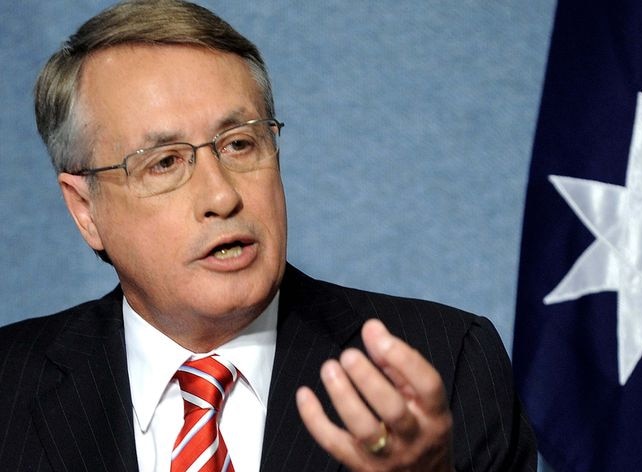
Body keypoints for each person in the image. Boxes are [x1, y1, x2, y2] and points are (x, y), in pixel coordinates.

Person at [0, 1, 536, 470]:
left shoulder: (447, 364)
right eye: (164, 162)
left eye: (240, 144)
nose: (221, 197)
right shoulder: (10, 387)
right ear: (84, 209)